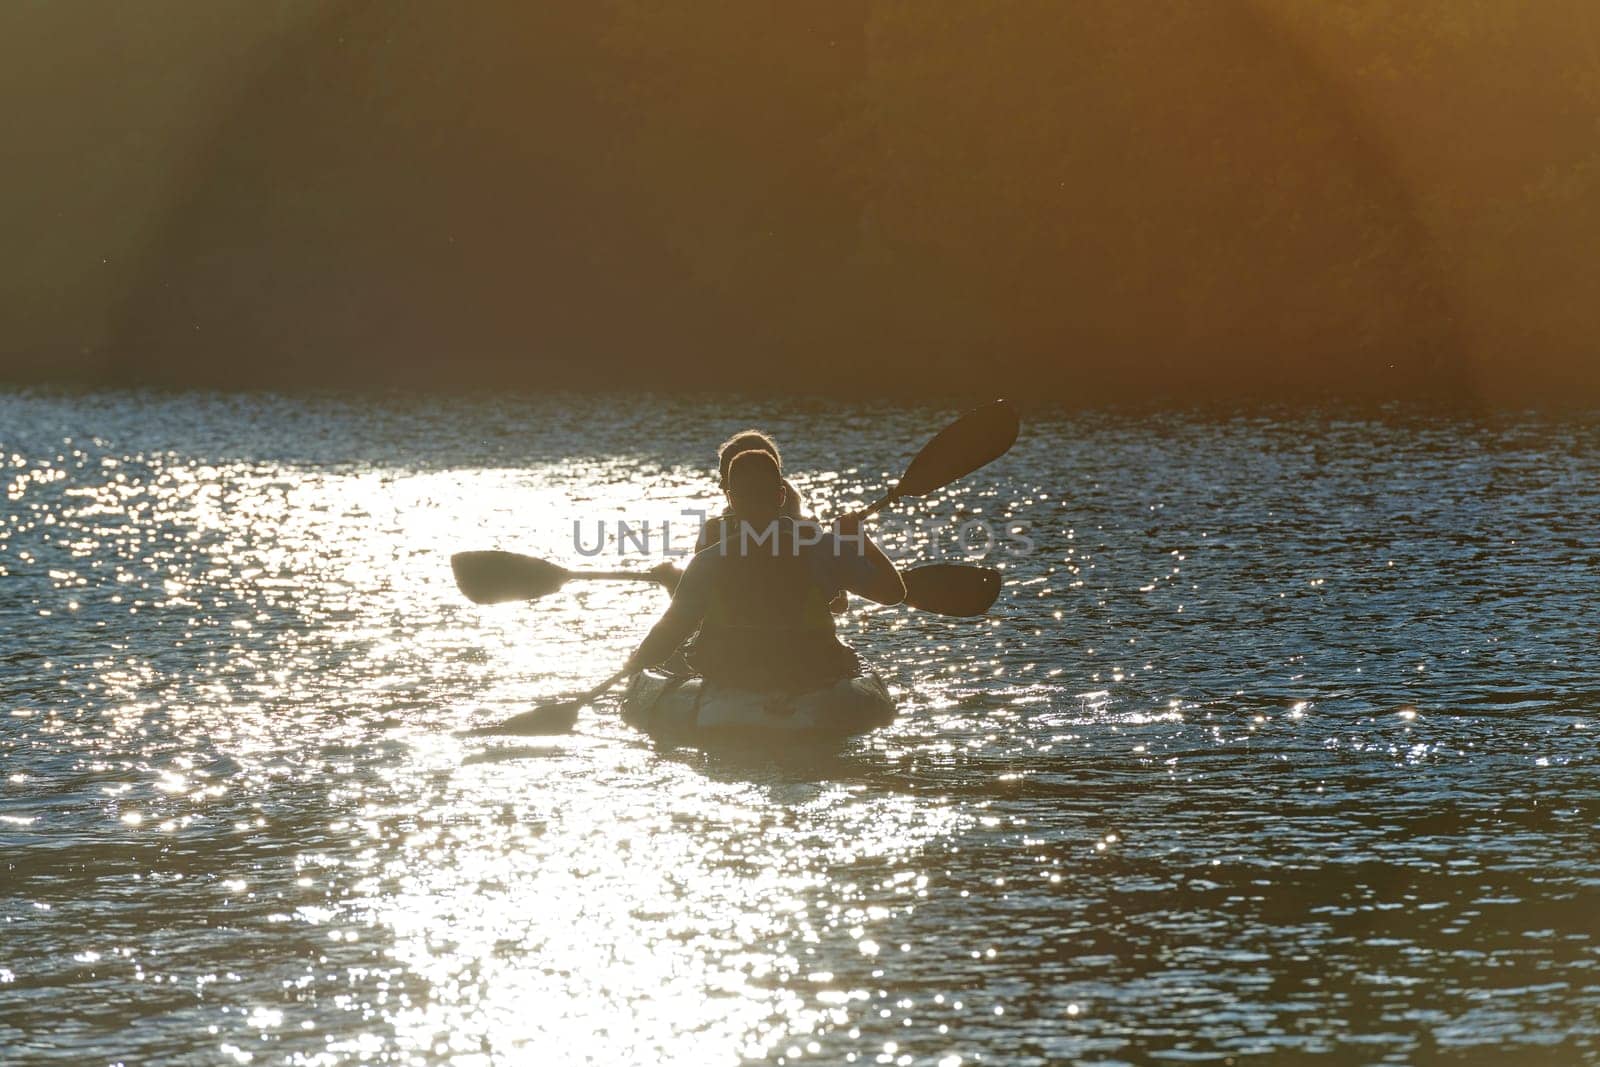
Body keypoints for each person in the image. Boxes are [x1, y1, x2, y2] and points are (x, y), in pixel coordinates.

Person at [626, 449, 904, 690]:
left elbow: (668, 635)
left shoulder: (708, 560)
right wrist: (860, 540)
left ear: (732, 500)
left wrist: (634, 667)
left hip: (734, 678)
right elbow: (894, 593)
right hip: (810, 673)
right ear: (781, 496)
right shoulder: (825, 548)